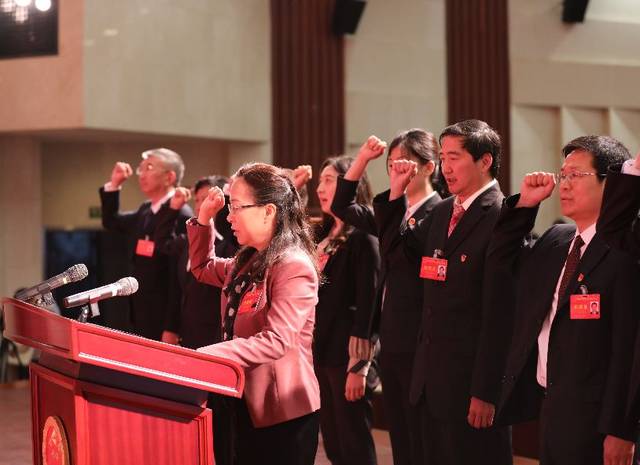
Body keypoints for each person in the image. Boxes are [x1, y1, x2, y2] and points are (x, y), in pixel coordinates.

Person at [491, 135, 638, 465]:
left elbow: (628, 350)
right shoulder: (557, 240)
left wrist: (623, 429)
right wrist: (526, 205)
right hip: (552, 406)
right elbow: (502, 262)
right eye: (563, 174)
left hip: (600, 420)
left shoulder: (626, 251)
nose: (564, 184)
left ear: (609, 184)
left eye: (577, 175)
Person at [375, 119, 512, 465]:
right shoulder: (442, 213)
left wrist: (485, 391)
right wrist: (395, 192)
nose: (446, 168)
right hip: (429, 384)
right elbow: (396, 255)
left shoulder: (502, 215)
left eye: (455, 157)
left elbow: (499, 316)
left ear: (485, 161)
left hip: (468, 388)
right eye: (443, 157)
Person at [187, 163, 320, 465]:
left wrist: (210, 354)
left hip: (281, 411)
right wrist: (204, 219)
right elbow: (201, 268)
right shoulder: (246, 260)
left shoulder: (292, 265)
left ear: (268, 211)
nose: (230, 217)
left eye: (236, 208)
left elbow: (276, 340)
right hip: (240, 402)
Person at [330, 129, 442, 465]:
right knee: (401, 438)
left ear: (428, 167)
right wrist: (363, 158)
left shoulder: (440, 213)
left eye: (403, 163)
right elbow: (342, 205)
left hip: (421, 339)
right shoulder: (390, 211)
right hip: (391, 339)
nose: (395, 171)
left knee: (423, 438)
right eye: (391, 164)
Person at [314, 155, 381, 465]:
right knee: (333, 441)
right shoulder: (320, 235)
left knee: (353, 441)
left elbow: (368, 305)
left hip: (347, 355)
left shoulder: (364, 238)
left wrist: (359, 366)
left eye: (329, 180)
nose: (321, 188)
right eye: (320, 181)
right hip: (320, 350)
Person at [99, 148, 192, 341]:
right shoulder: (146, 209)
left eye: (149, 168)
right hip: (140, 308)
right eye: (141, 168)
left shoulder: (181, 214)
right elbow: (112, 222)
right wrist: (115, 185)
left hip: (164, 315)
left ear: (169, 177)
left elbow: (178, 278)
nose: (142, 174)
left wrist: (172, 326)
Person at [154, 175, 238, 348]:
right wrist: (173, 208)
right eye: (198, 199)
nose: (200, 205)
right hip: (187, 332)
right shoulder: (188, 240)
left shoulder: (229, 245)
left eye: (207, 198)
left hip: (215, 337)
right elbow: (162, 243)